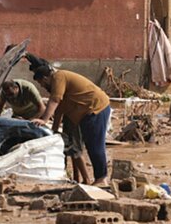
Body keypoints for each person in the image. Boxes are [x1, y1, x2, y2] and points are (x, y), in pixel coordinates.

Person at [28, 54, 113, 185]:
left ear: (45, 78)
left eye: (41, 83)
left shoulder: (58, 77)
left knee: (95, 146)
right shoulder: (59, 85)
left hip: (95, 108)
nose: (42, 86)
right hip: (85, 114)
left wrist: (44, 119)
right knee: (86, 146)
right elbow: (59, 110)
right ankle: (94, 178)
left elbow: (55, 100)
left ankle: (101, 178)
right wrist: (53, 131)